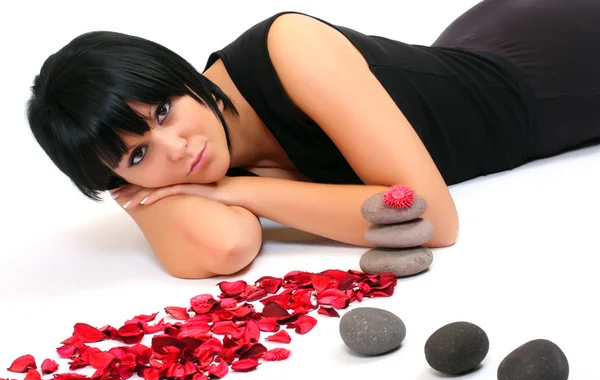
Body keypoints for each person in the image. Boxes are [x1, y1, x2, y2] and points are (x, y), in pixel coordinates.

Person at [26, 0, 600, 279]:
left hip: (554, 70)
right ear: (119, 182)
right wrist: (141, 195)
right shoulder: (192, 168)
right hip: (483, 55)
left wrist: (237, 193)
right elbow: (224, 249)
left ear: (179, 75)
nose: (177, 147)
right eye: (138, 152)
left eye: (164, 109)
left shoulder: (288, 45)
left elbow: (434, 221)